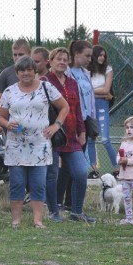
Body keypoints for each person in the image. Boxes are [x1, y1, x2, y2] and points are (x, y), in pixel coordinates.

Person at [0, 55, 68, 228]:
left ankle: (38, 220)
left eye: (29, 69)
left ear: (34, 71)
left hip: (40, 144)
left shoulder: (47, 87)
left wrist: (56, 125)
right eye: (22, 70)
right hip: (16, 145)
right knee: (17, 183)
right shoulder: (9, 92)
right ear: (17, 73)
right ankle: (16, 220)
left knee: (38, 184)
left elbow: (64, 107)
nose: (26, 73)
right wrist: (7, 124)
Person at [44, 47, 93, 224]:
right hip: (52, 135)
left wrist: (82, 131)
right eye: (59, 59)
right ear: (50, 61)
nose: (62, 62)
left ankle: (77, 211)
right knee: (52, 174)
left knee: (80, 172)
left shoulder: (73, 83)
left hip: (72, 136)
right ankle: (53, 211)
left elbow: (77, 109)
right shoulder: (44, 81)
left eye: (65, 59)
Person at [88, 45, 118, 177]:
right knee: (90, 139)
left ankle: (117, 169)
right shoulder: (86, 70)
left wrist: (90, 92)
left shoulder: (108, 69)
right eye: (99, 55)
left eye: (104, 55)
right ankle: (94, 170)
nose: (102, 58)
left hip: (102, 106)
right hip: (89, 106)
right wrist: (99, 93)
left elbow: (106, 91)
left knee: (105, 139)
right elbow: (83, 91)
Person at [0, 38, 32, 128]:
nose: (17, 57)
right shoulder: (6, 73)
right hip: (12, 123)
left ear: (29, 53)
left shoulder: (36, 72)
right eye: (15, 55)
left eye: (21, 54)